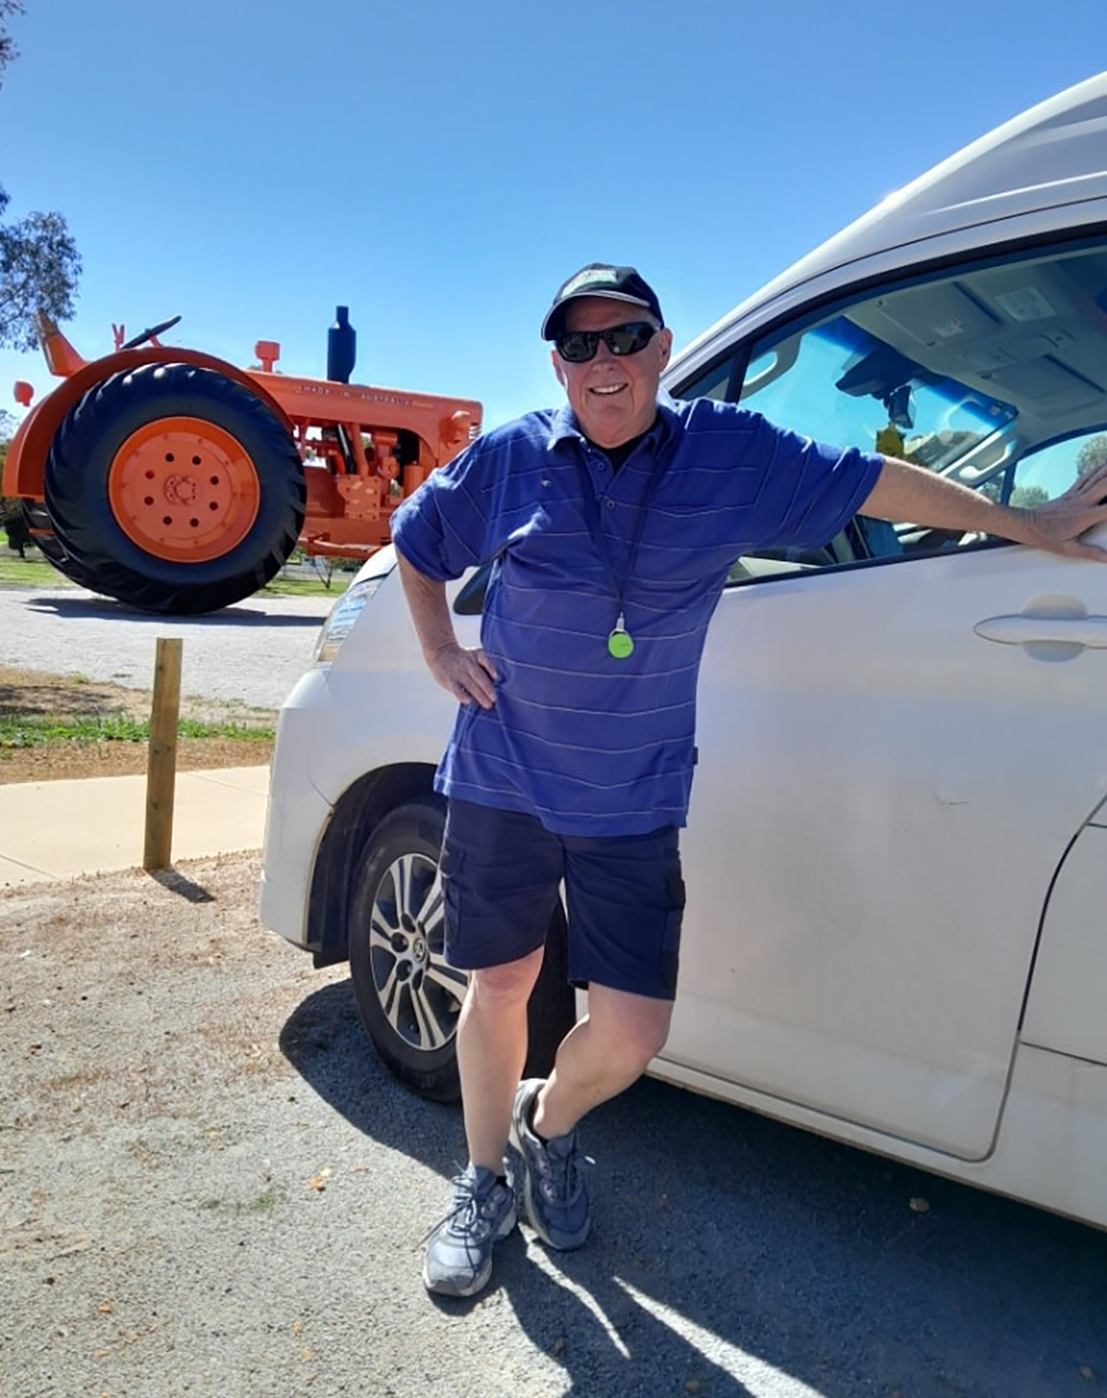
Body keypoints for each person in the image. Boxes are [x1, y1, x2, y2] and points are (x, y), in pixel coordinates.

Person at [389, 263, 1107, 1299]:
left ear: (663, 346)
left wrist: (1024, 525)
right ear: (556, 361)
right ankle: (484, 1178)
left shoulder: (729, 453)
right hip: (505, 776)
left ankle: (548, 1127)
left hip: (633, 794)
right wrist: (439, 657)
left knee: (634, 1032)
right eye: (579, 345)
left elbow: (874, 481)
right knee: (499, 985)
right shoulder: (510, 459)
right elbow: (416, 548)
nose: (604, 363)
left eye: (624, 338)